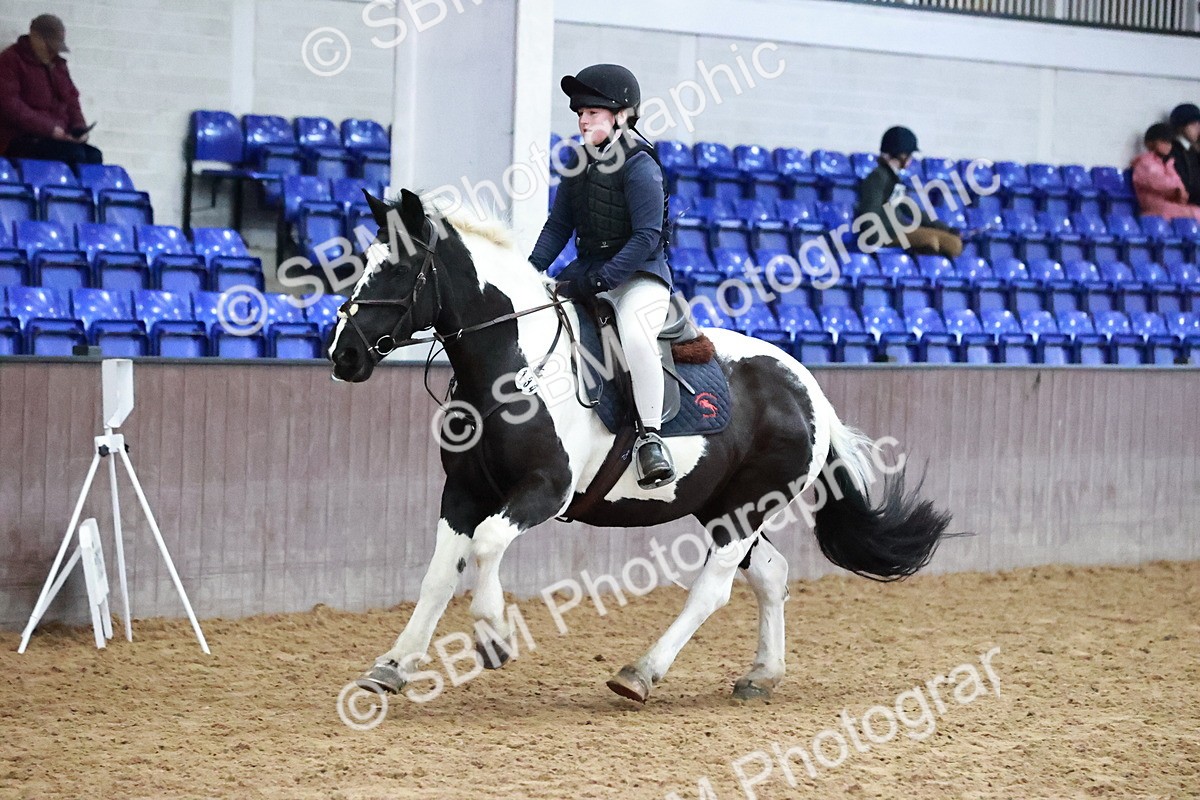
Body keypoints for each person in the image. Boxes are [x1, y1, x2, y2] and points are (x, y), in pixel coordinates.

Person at [528, 64, 675, 489]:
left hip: (639, 276)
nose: (583, 120)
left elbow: (647, 235)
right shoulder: (577, 162)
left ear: (621, 115)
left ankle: (651, 437)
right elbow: (559, 226)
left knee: (635, 337)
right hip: (590, 270)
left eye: (593, 112)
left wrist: (603, 278)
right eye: (580, 113)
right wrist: (530, 269)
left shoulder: (640, 163)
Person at [0, 14, 101, 165]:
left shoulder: (59, 66)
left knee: (94, 156)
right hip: (20, 138)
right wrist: (49, 129)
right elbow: (10, 106)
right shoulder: (10, 60)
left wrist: (79, 127)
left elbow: (72, 100)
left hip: (56, 138)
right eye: (50, 47)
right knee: (73, 154)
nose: (53, 52)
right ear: (34, 37)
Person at [855, 126, 962, 258]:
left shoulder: (893, 179)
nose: (911, 159)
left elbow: (911, 209)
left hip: (897, 229)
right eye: (910, 155)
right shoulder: (878, 177)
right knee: (934, 242)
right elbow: (870, 210)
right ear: (902, 155)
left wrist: (946, 229)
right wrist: (874, 237)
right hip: (886, 233)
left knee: (953, 243)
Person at [1131, 123, 1200, 221]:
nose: (1168, 145)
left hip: (1169, 205)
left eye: (1169, 142)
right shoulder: (1146, 162)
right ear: (1150, 143)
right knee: (1196, 214)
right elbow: (1158, 182)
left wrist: (1181, 191)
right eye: (1164, 141)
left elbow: (1178, 181)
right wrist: (1177, 190)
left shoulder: (1168, 164)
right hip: (1154, 207)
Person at [1167, 103, 1200, 207]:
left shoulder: (1192, 150)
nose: (1198, 128)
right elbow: (1187, 185)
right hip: (1187, 205)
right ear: (1181, 127)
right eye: (1193, 124)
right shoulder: (1173, 152)